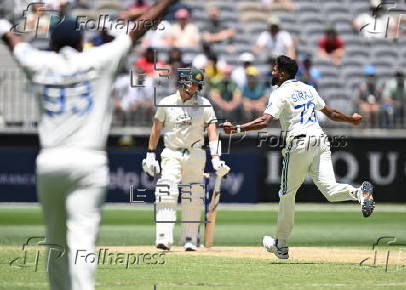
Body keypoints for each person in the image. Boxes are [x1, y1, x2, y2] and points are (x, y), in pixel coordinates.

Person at [0, 1, 177, 289]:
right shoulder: (99, 59)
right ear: (82, 41)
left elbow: (14, 41)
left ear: (52, 44)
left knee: (55, 241)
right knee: (82, 238)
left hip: (50, 161)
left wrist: (6, 30)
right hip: (88, 161)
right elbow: (139, 28)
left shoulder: (39, 62)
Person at [221, 55, 375, 260]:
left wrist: (238, 128)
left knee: (286, 194)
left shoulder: (280, 92)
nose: (272, 72)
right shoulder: (308, 88)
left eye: (275, 69)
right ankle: (359, 193)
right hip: (320, 140)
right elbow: (330, 112)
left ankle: (282, 246)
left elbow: (265, 121)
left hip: (300, 143)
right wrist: (351, 119)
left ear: (283, 73)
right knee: (329, 190)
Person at [142, 68, 230, 251]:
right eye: (193, 83)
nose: (196, 87)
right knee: (166, 191)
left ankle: (190, 238)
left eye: (198, 84)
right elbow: (156, 129)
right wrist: (150, 153)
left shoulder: (204, 104)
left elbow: (213, 132)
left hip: (195, 154)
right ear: (183, 82)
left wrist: (216, 159)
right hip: (172, 152)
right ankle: (163, 237)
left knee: (194, 196)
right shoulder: (167, 103)